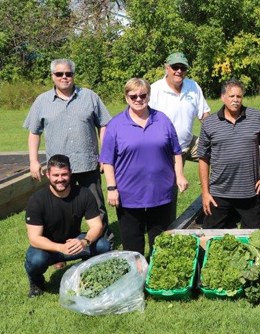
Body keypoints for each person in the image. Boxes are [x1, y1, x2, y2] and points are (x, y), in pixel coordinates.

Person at [24, 58, 112, 238]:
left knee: (96, 205)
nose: (64, 77)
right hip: (59, 170)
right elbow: (34, 132)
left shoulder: (89, 96)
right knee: (58, 209)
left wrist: (105, 154)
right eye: (59, 74)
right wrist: (33, 161)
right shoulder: (42, 101)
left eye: (68, 74)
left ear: (73, 75)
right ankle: (58, 249)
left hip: (88, 163)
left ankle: (104, 243)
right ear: (52, 76)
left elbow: (104, 125)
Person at [100, 78, 188, 257]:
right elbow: (107, 161)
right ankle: (137, 277)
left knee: (162, 242)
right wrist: (111, 188)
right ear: (126, 98)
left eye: (143, 95)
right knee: (133, 243)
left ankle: (158, 277)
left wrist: (179, 176)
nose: (138, 99)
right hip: (129, 194)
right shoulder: (116, 125)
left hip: (161, 191)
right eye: (133, 96)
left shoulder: (162, 119)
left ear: (149, 96)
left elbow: (176, 152)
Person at [24, 155, 111, 298]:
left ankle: (88, 272)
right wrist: (60, 248)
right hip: (48, 247)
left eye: (64, 174)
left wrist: (85, 241)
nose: (60, 179)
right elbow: (34, 238)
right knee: (35, 260)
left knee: (103, 245)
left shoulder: (84, 193)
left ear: (70, 173)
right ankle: (36, 282)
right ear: (48, 175)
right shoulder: (37, 200)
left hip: (75, 242)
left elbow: (96, 225)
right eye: (56, 175)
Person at [198, 79, 260, 229]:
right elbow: (203, 157)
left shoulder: (256, 117)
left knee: (254, 235)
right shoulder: (209, 123)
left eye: (239, 96)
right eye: (232, 96)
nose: (236, 100)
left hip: (249, 191)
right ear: (222, 97)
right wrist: (205, 193)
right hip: (219, 191)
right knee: (210, 234)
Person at [149, 52, 211, 161]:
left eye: (183, 68)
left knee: (220, 152)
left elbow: (204, 115)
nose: (179, 71)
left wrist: (218, 132)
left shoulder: (193, 86)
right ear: (167, 68)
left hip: (189, 143)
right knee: (175, 178)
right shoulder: (154, 90)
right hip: (166, 149)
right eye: (175, 67)